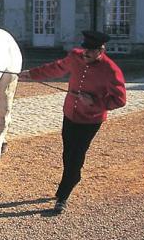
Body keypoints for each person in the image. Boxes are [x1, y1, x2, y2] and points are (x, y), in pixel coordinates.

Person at [26, 30, 126, 214]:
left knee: (76, 155)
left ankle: (62, 197)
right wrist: (31, 75)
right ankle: (73, 177)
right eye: (84, 49)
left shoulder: (111, 70)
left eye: (90, 51)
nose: (85, 54)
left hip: (91, 120)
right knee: (67, 153)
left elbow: (120, 100)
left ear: (101, 50)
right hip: (70, 114)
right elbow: (55, 68)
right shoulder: (75, 56)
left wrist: (95, 102)